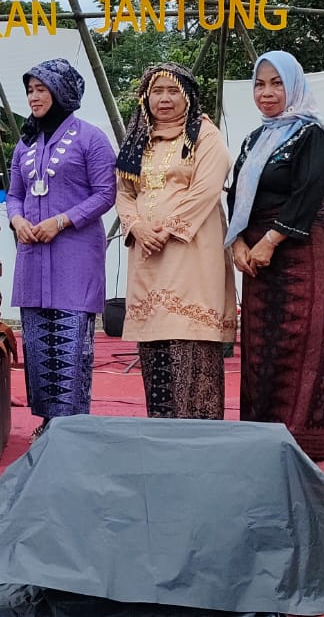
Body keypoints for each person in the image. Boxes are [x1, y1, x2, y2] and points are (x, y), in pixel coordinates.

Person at [225, 50, 324, 462]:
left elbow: (310, 188)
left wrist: (271, 241)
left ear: (294, 86)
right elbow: (237, 193)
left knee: (300, 341)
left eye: (276, 83)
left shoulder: (311, 134)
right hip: (257, 249)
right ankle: (261, 434)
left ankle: (300, 439)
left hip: (301, 246)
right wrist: (239, 241)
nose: (267, 93)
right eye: (259, 84)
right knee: (261, 343)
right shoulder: (256, 138)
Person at [113, 64, 237, 420]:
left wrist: (166, 228)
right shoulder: (137, 137)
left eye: (173, 91)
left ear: (188, 96)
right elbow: (124, 190)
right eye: (157, 91)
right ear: (145, 97)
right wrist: (136, 225)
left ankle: (197, 432)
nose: (164, 99)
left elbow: (206, 188)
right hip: (147, 254)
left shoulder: (204, 135)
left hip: (190, 249)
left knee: (190, 335)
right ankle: (162, 428)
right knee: (156, 341)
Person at [5, 58, 117, 438]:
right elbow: (14, 194)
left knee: (70, 340)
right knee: (38, 341)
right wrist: (17, 220)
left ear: (62, 92)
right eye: (30, 90)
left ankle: (71, 426)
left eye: (42, 89)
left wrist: (62, 221)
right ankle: (47, 422)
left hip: (75, 254)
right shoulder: (25, 144)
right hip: (33, 256)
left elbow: (106, 193)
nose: (34, 97)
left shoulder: (91, 138)